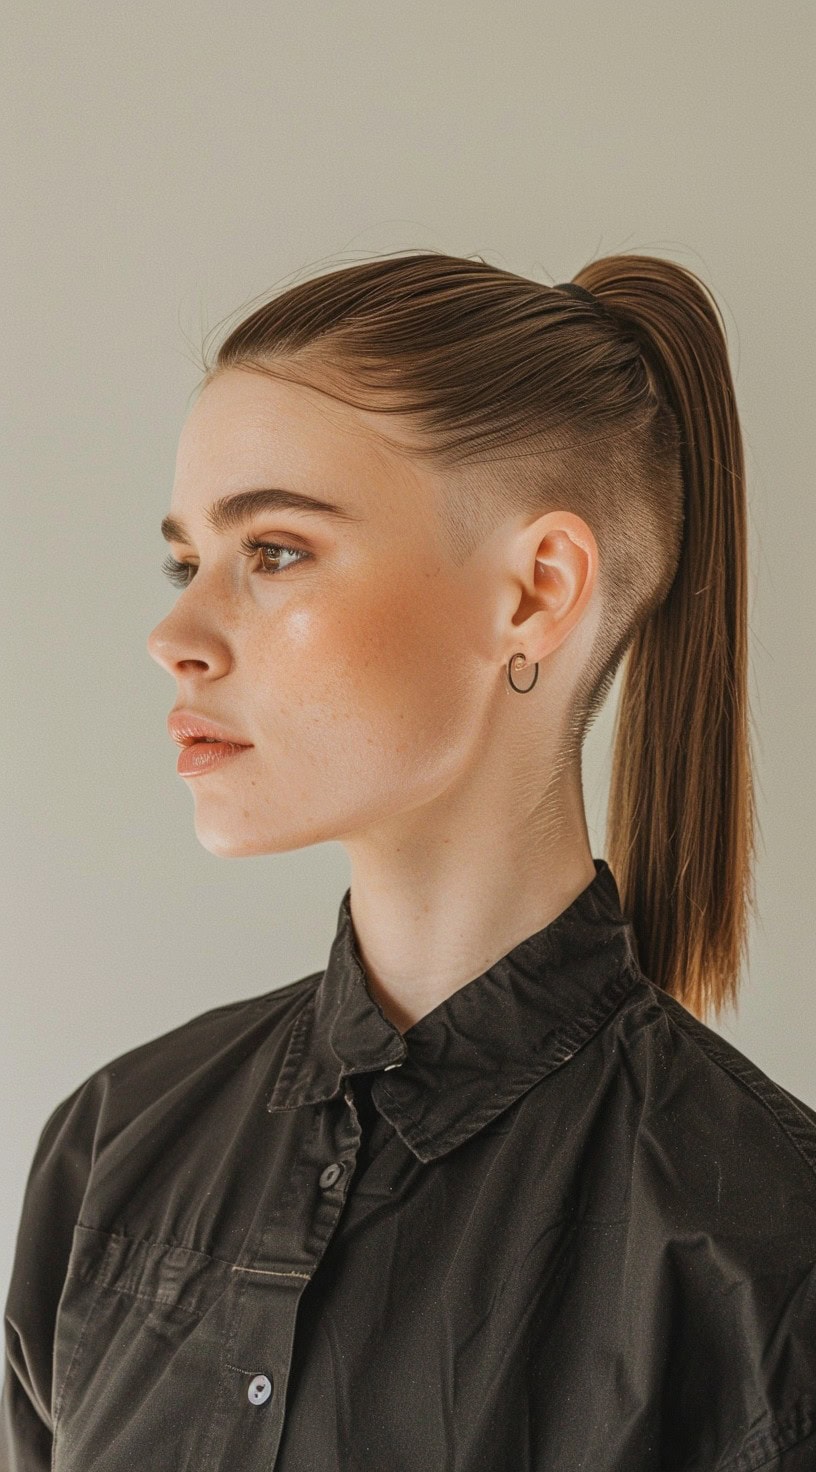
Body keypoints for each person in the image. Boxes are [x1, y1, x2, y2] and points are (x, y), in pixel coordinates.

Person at [3, 250, 815, 1471]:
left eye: (272, 550)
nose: (175, 634)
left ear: (535, 593)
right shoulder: (112, 1146)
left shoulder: (764, 1242)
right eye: (187, 561)